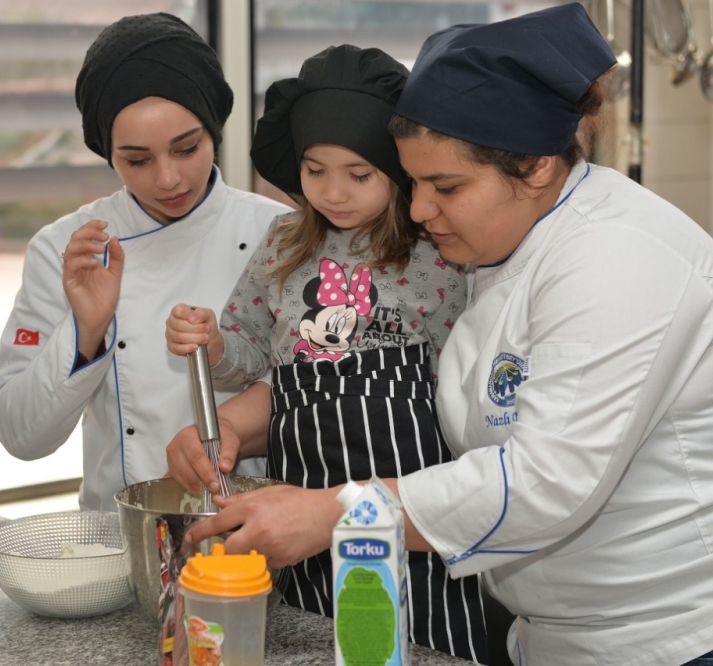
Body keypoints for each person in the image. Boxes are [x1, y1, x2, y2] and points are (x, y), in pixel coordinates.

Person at [174, 5, 713, 665]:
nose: (417, 210)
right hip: (564, 636)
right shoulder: (488, 248)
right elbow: (362, 368)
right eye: (413, 183)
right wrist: (242, 426)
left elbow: (545, 481)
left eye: (445, 186)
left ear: (534, 167)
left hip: (708, 634)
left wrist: (332, 512)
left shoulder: (617, 256)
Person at [165, 45, 486, 662]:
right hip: (300, 488)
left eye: (358, 174)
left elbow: (466, 381)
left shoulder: (438, 251)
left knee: (412, 643)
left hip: (407, 498)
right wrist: (213, 342)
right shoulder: (285, 241)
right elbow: (253, 354)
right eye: (315, 171)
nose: (333, 192)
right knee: (312, 635)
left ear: (399, 169)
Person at [0, 13, 290, 512]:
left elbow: (319, 396)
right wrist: (86, 331)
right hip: (120, 539)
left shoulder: (279, 234)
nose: (168, 178)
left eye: (187, 148)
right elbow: (21, 436)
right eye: (138, 160)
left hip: (253, 532)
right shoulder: (66, 247)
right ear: (109, 155)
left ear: (214, 130)